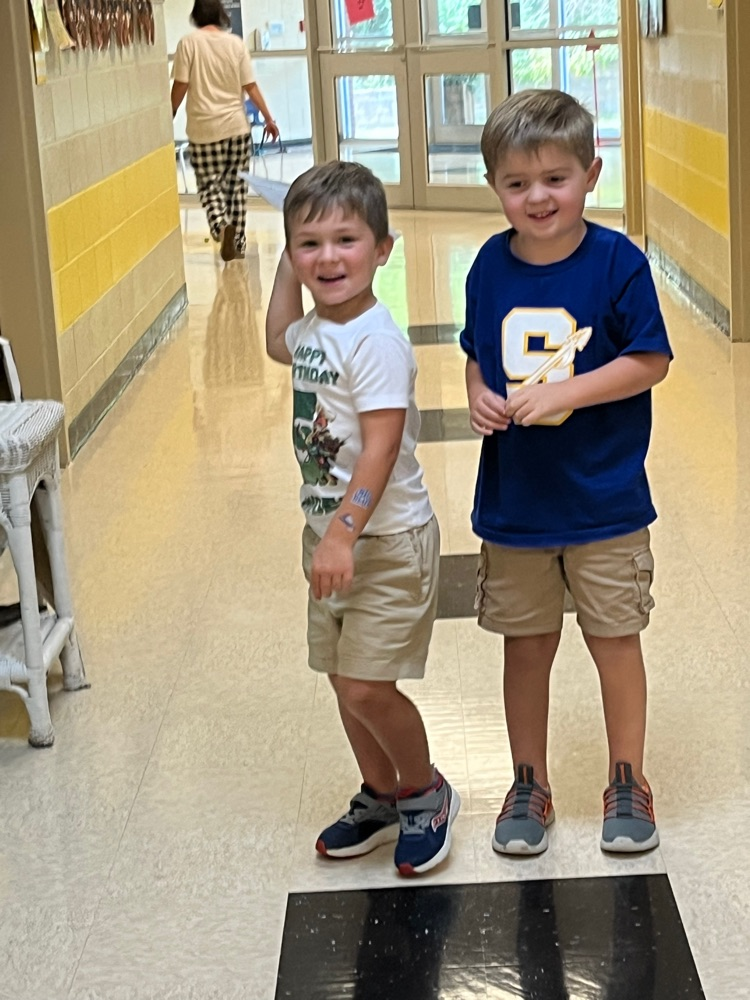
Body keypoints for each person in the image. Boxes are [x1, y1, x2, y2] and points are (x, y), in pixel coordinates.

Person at [461, 89, 672, 857]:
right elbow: (477, 351)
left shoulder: (618, 262)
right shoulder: (489, 264)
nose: (538, 197)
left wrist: (565, 393)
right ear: (496, 188)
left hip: (606, 498)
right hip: (517, 502)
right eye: (518, 184)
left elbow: (650, 359)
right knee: (526, 644)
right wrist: (480, 395)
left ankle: (628, 779)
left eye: (555, 178)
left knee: (615, 639)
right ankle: (528, 782)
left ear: (592, 173)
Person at [265, 161, 459, 876]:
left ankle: (425, 792)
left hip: (383, 542)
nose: (327, 258)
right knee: (340, 676)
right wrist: (290, 263)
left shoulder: (374, 341)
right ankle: (380, 795)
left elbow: (380, 449)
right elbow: (275, 337)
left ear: (384, 249)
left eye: (347, 240)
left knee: (365, 686)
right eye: (308, 245)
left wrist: (343, 532)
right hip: (331, 539)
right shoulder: (315, 328)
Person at [170, 0, 279, 262]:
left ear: (196, 15)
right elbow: (251, 86)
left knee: (209, 185)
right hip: (237, 128)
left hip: (204, 130)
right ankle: (238, 244)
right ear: (221, 15)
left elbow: (181, 86)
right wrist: (268, 119)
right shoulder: (236, 44)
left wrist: (169, 113)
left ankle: (221, 226)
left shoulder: (189, 43)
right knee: (237, 187)